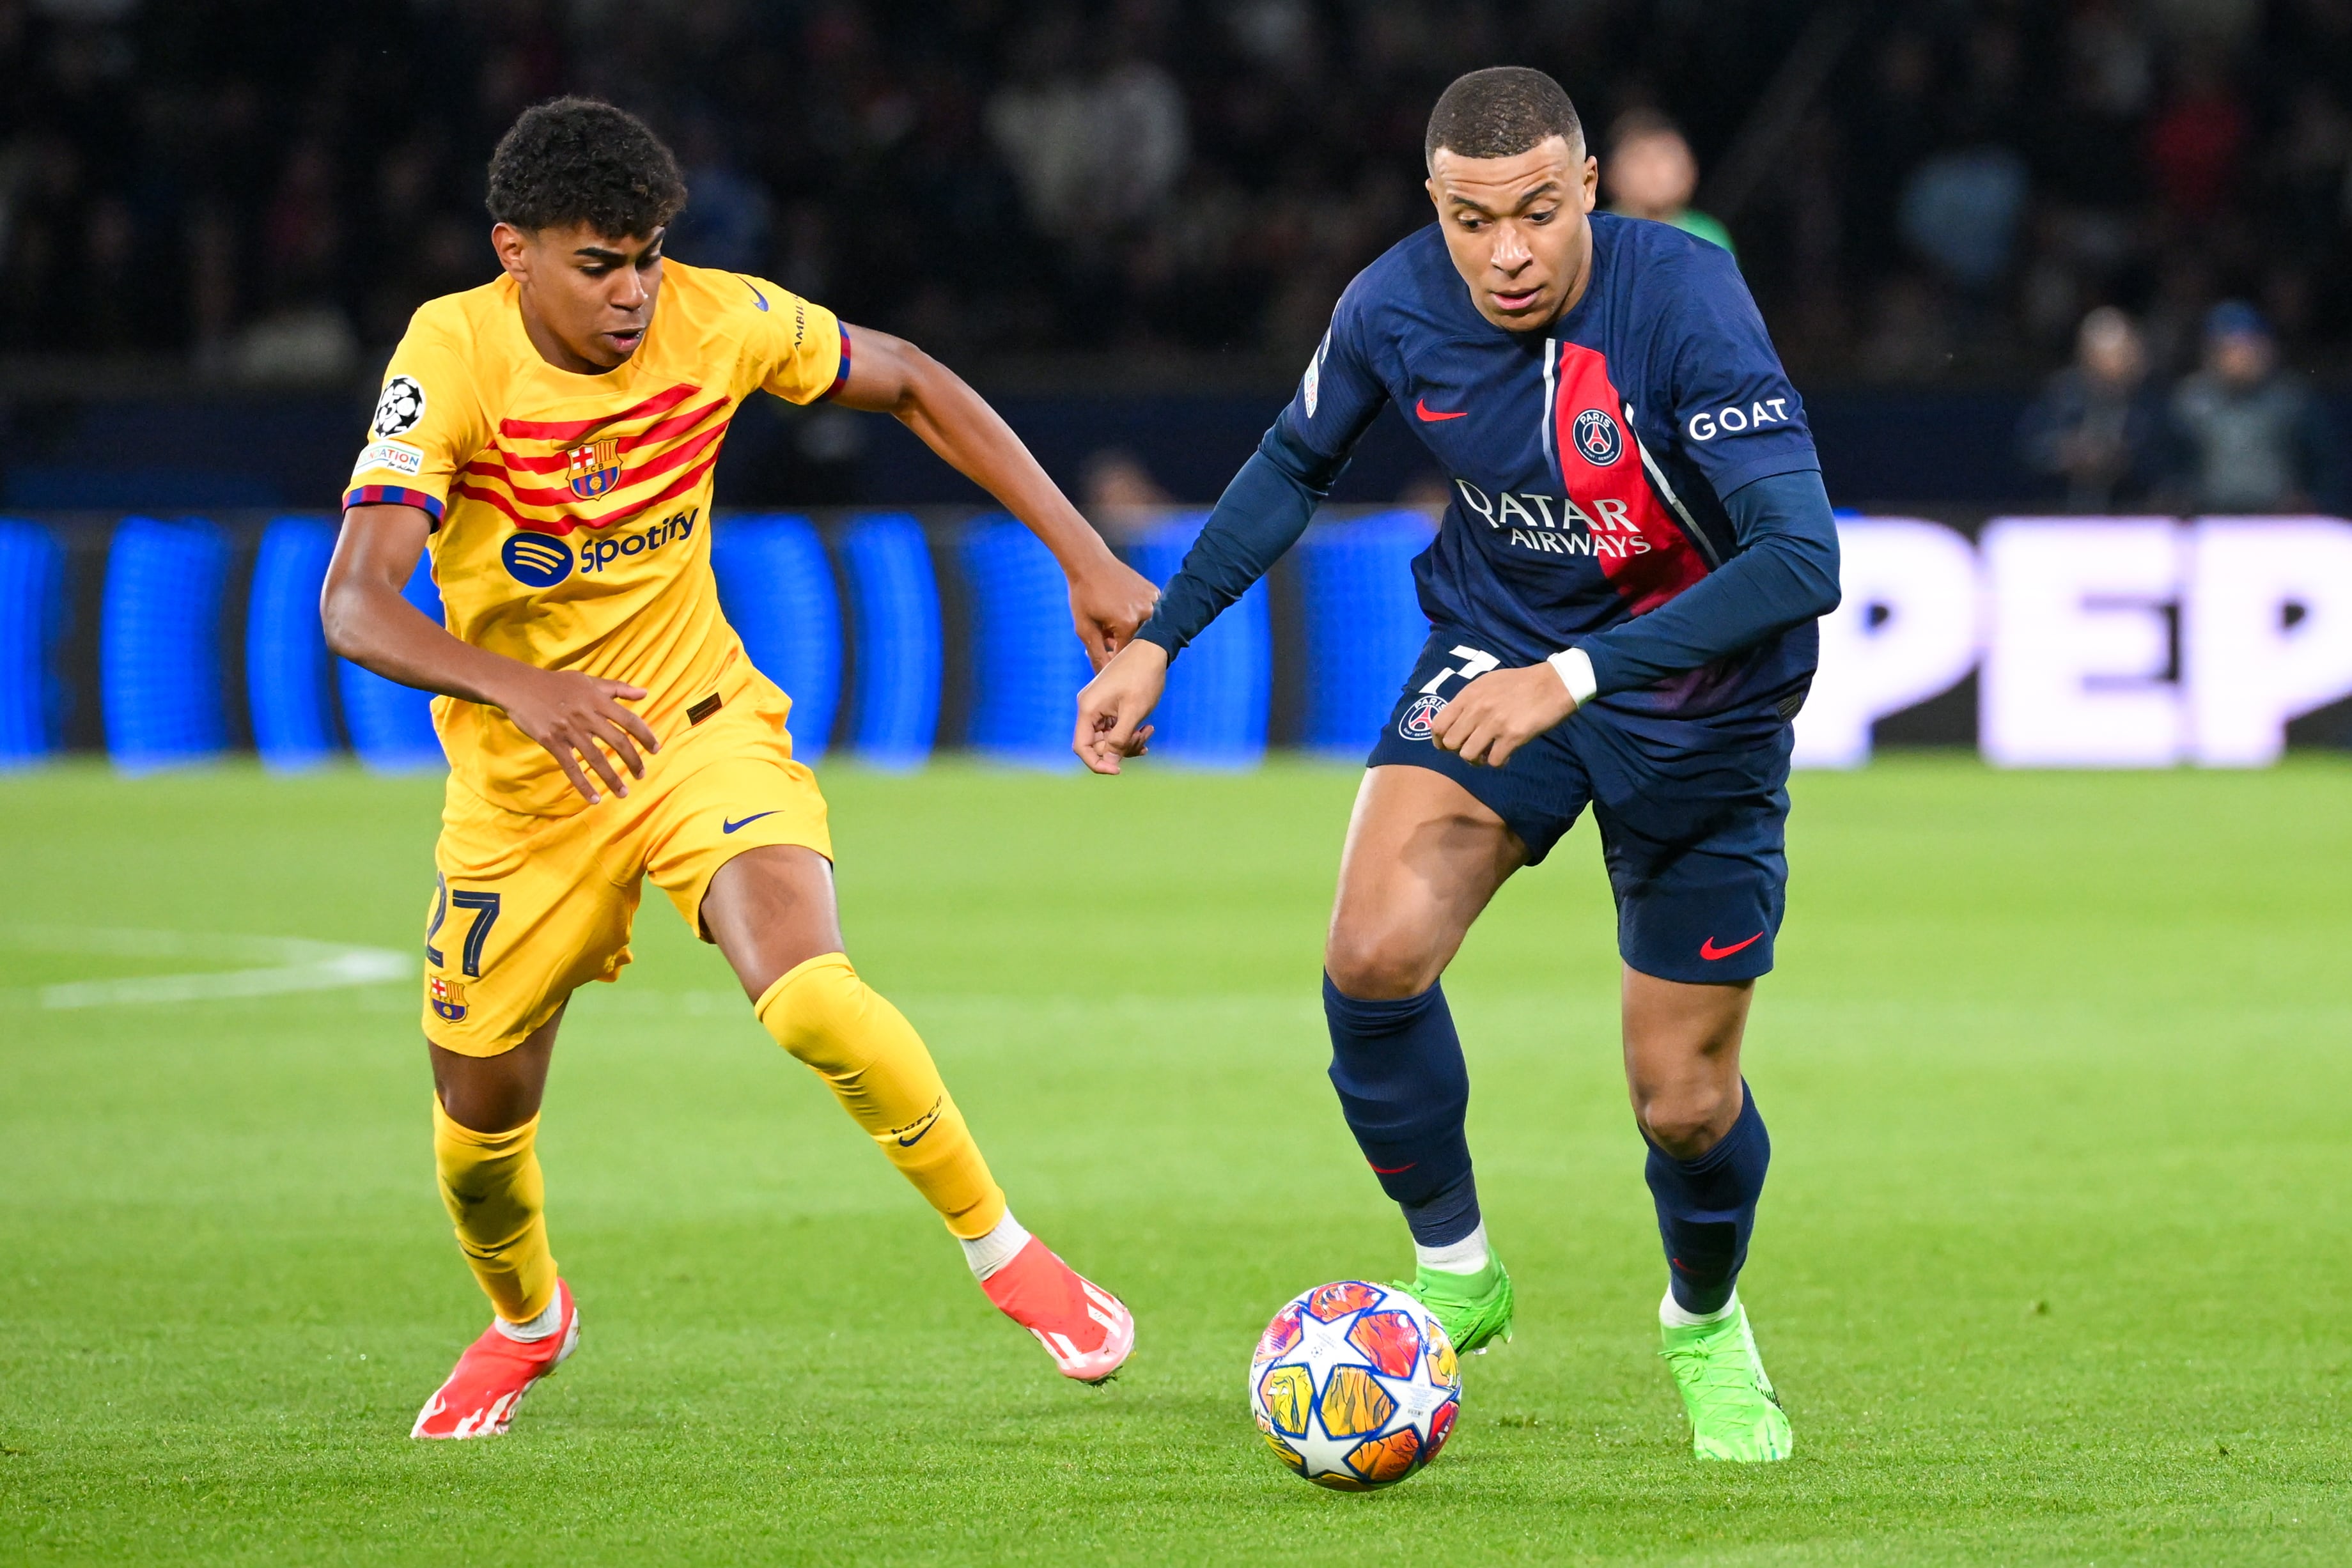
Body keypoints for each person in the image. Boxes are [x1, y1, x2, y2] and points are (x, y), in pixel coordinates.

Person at [321, 98, 1155, 1440]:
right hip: (522, 787)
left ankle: (1007, 1252)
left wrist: (1085, 555)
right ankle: (529, 1319)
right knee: (477, 1124)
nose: (636, 292)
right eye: (600, 263)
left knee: (811, 992)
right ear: (513, 251)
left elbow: (914, 378)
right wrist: (526, 689)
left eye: (649, 254)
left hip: (693, 722)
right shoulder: (451, 354)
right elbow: (355, 604)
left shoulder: (720, 317)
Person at [1075, 66, 1839, 1463]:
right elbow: (1291, 461)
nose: (1506, 253)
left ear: (1589, 189)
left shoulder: (1685, 302)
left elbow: (1802, 558)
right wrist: (1160, 638)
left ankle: (1703, 1319)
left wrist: (1580, 676)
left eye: (1538, 215)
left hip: (1698, 706)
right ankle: (1458, 1264)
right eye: (1472, 219)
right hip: (1497, 650)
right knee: (1371, 951)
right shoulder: (1391, 304)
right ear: (1434, 204)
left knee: (1684, 1102)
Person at [2169, 300, 2343, 513]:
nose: (2239, 358)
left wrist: (2310, 499)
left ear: (2266, 349)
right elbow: (2173, 465)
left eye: (2247, 347)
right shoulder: (2192, 401)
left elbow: (2323, 462)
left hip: (2279, 520)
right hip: (2210, 518)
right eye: (2229, 349)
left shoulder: (2291, 399)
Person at [2018, 306, 2164, 511]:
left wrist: (2119, 460)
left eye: (2117, 355)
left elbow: (2162, 463)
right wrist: (2066, 455)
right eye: (2099, 355)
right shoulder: (2061, 395)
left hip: (2130, 516)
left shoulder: (2149, 403)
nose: (2108, 364)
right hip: (2060, 514)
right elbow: (2030, 449)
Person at [1603, 109, 1734, 257]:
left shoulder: (1708, 236)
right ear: (1612, 173)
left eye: (1665, 158)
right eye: (1640, 159)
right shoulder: (1599, 235)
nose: (1654, 171)